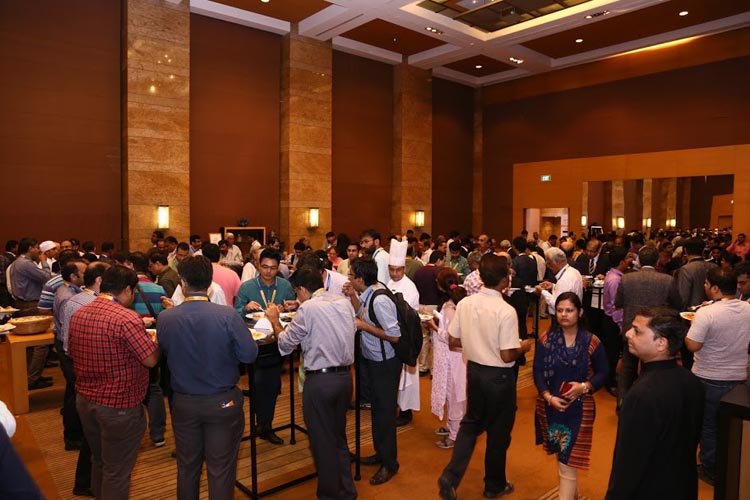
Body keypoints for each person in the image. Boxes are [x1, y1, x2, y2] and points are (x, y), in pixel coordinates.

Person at [157, 256, 258, 499]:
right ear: (210, 283)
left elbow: (165, 353)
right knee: (221, 469)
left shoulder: (166, 318)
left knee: (187, 466)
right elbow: (249, 354)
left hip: (183, 402)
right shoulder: (227, 316)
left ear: (182, 283)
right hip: (222, 401)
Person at [438, 254, 532, 500]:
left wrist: (476, 341)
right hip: (499, 377)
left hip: (475, 372)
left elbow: (453, 339)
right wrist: (523, 347)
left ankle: (450, 476)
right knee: (498, 432)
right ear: (504, 280)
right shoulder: (506, 310)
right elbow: (506, 354)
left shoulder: (466, 303)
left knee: (470, 425)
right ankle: (494, 485)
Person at [68, 265, 160, 499]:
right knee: (117, 472)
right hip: (118, 405)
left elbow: (72, 353)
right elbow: (150, 360)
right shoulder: (125, 318)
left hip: (85, 400)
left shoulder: (80, 313)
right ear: (127, 289)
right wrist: (157, 343)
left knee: (99, 461)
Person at [267, 268, 357, 500]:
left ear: (302, 289)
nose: (297, 298)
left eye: (297, 293)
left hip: (321, 382)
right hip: (345, 378)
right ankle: (347, 491)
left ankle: (329, 495)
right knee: (338, 437)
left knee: (322, 442)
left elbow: (285, 344)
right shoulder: (344, 302)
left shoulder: (307, 308)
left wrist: (275, 321)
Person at [606, 307, 704, 499]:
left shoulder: (641, 395)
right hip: (683, 487)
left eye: (637, 331)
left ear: (661, 343)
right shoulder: (692, 381)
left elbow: (629, 463)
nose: (628, 333)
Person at [534, 292, 608, 500]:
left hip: (580, 408)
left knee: (568, 459)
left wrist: (584, 386)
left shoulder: (591, 341)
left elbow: (603, 372)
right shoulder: (546, 340)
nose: (564, 314)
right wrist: (548, 397)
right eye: (560, 310)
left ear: (580, 312)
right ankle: (573, 493)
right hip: (551, 407)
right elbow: (538, 371)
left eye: (569, 310)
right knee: (562, 455)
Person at [685, 267, 750, 485]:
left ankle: (710, 467)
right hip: (739, 376)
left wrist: (692, 324)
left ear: (714, 288)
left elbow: (693, 345)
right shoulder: (748, 308)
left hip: (708, 376)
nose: (704, 286)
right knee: (731, 425)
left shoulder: (706, 313)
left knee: (709, 424)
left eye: (706, 283)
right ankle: (730, 466)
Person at [343, 257, 402, 485]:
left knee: (385, 414)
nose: (348, 278)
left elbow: (394, 335)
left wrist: (364, 327)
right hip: (373, 359)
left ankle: (390, 464)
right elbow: (362, 313)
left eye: (351, 275)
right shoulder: (368, 293)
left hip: (385, 364)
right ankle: (381, 453)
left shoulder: (380, 299)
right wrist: (352, 296)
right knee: (377, 411)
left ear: (360, 278)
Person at [234, 248, 296, 445]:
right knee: (259, 384)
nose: (268, 272)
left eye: (273, 268)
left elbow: (292, 312)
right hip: (255, 343)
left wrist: (289, 307)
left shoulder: (285, 285)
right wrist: (245, 308)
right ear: (258, 265)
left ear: (279, 268)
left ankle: (265, 425)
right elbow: (235, 313)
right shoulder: (247, 287)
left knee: (272, 385)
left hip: (277, 341)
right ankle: (259, 425)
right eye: (265, 267)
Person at [429, 267, 467, 449]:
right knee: (451, 391)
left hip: (453, 357)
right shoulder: (453, 304)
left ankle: (455, 435)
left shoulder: (450, 308)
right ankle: (452, 426)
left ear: (440, 286)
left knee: (454, 394)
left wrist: (434, 326)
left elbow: (452, 337)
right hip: (452, 355)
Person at [386, 238, 421, 427]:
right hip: (392, 336)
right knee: (394, 377)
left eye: (398, 270)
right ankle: (393, 407)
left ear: (404, 269)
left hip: (406, 338)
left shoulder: (409, 287)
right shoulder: (388, 282)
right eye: (391, 269)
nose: (394, 273)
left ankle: (406, 412)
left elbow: (409, 315)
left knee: (406, 378)